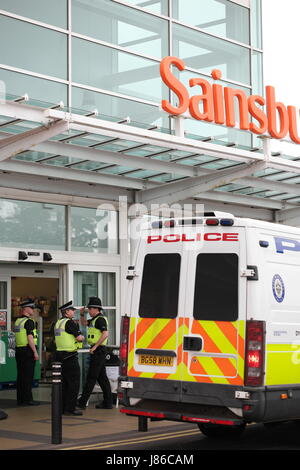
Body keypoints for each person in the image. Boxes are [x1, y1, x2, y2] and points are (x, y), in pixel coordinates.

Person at [77, 297, 113, 410]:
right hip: (97, 350)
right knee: (102, 378)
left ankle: (82, 402)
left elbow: (105, 334)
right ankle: (108, 402)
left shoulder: (100, 319)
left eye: (90, 309)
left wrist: (95, 347)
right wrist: (82, 314)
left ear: (96, 309)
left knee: (91, 377)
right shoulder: (94, 319)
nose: (89, 311)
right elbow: (83, 323)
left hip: (98, 350)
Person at [54, 301, 85, 416]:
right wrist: (82, 336)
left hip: (60, 356)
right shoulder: (70, 323)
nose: (73, 312)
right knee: (73, 384)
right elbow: (79, 338)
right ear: (66, 312)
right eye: (72, 310)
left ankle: (62, 408)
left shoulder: (58, 323)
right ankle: (70, 409)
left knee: (63, 384)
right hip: (70, 357)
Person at [14, 299, 40, 406]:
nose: (33, 310)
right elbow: (30, 338)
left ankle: (20, 399)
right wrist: (35, 352)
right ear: (26, 309)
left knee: (21, 376)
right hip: (27, 351)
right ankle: (28, 399)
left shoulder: (17, 321)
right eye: (31, 308)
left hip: (19, 350)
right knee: (28, 376)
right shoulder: (29, 321)